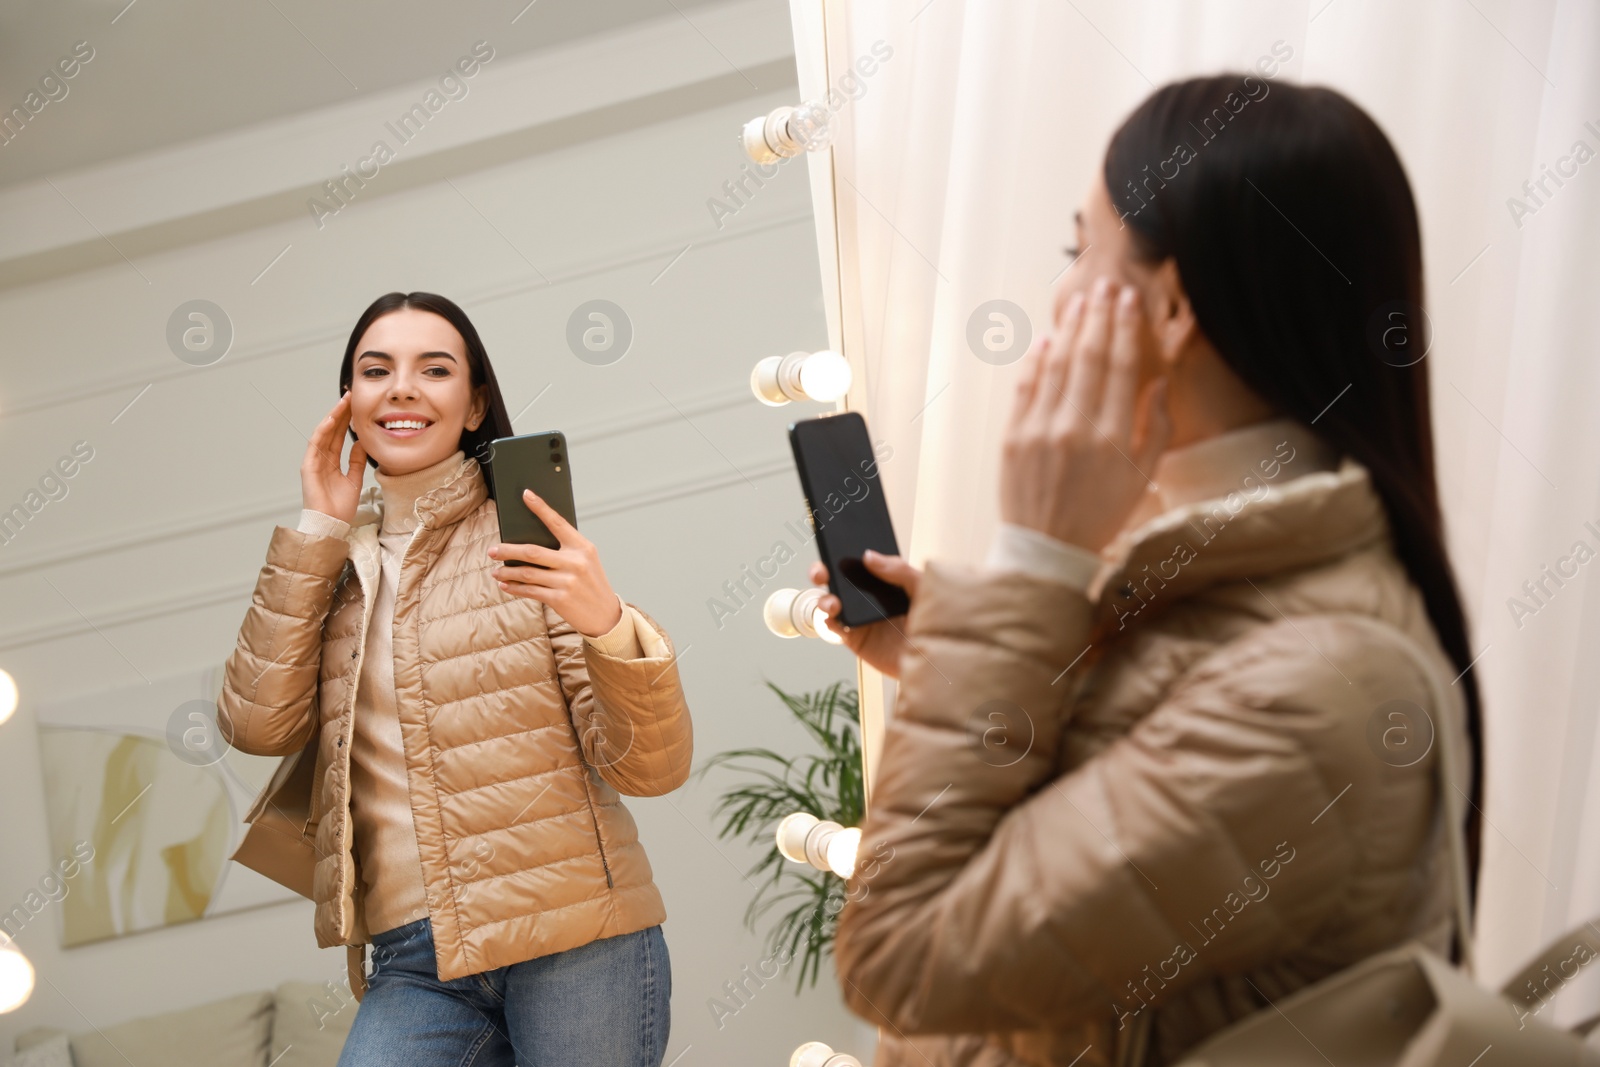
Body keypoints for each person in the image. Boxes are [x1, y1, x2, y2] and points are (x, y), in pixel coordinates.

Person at [815, 76, 1482, 1066]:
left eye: (1078, 251)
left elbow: (900, 957)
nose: (1060, 291)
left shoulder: (1316, 692)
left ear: (1168, 307)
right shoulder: (1236, 599)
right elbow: (1150, 765)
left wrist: (1036, 558)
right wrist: (970, 643)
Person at [216, 291, 692, 1067]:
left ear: (474, 404)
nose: (401, 387)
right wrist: (317, 530)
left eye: (433, 369)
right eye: (376, 370)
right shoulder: (334, 570)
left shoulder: (523, 543)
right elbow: (255, 725)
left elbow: (650, 765)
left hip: (576, 936)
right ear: (351, 402)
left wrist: (607, 621)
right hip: (415, 959)